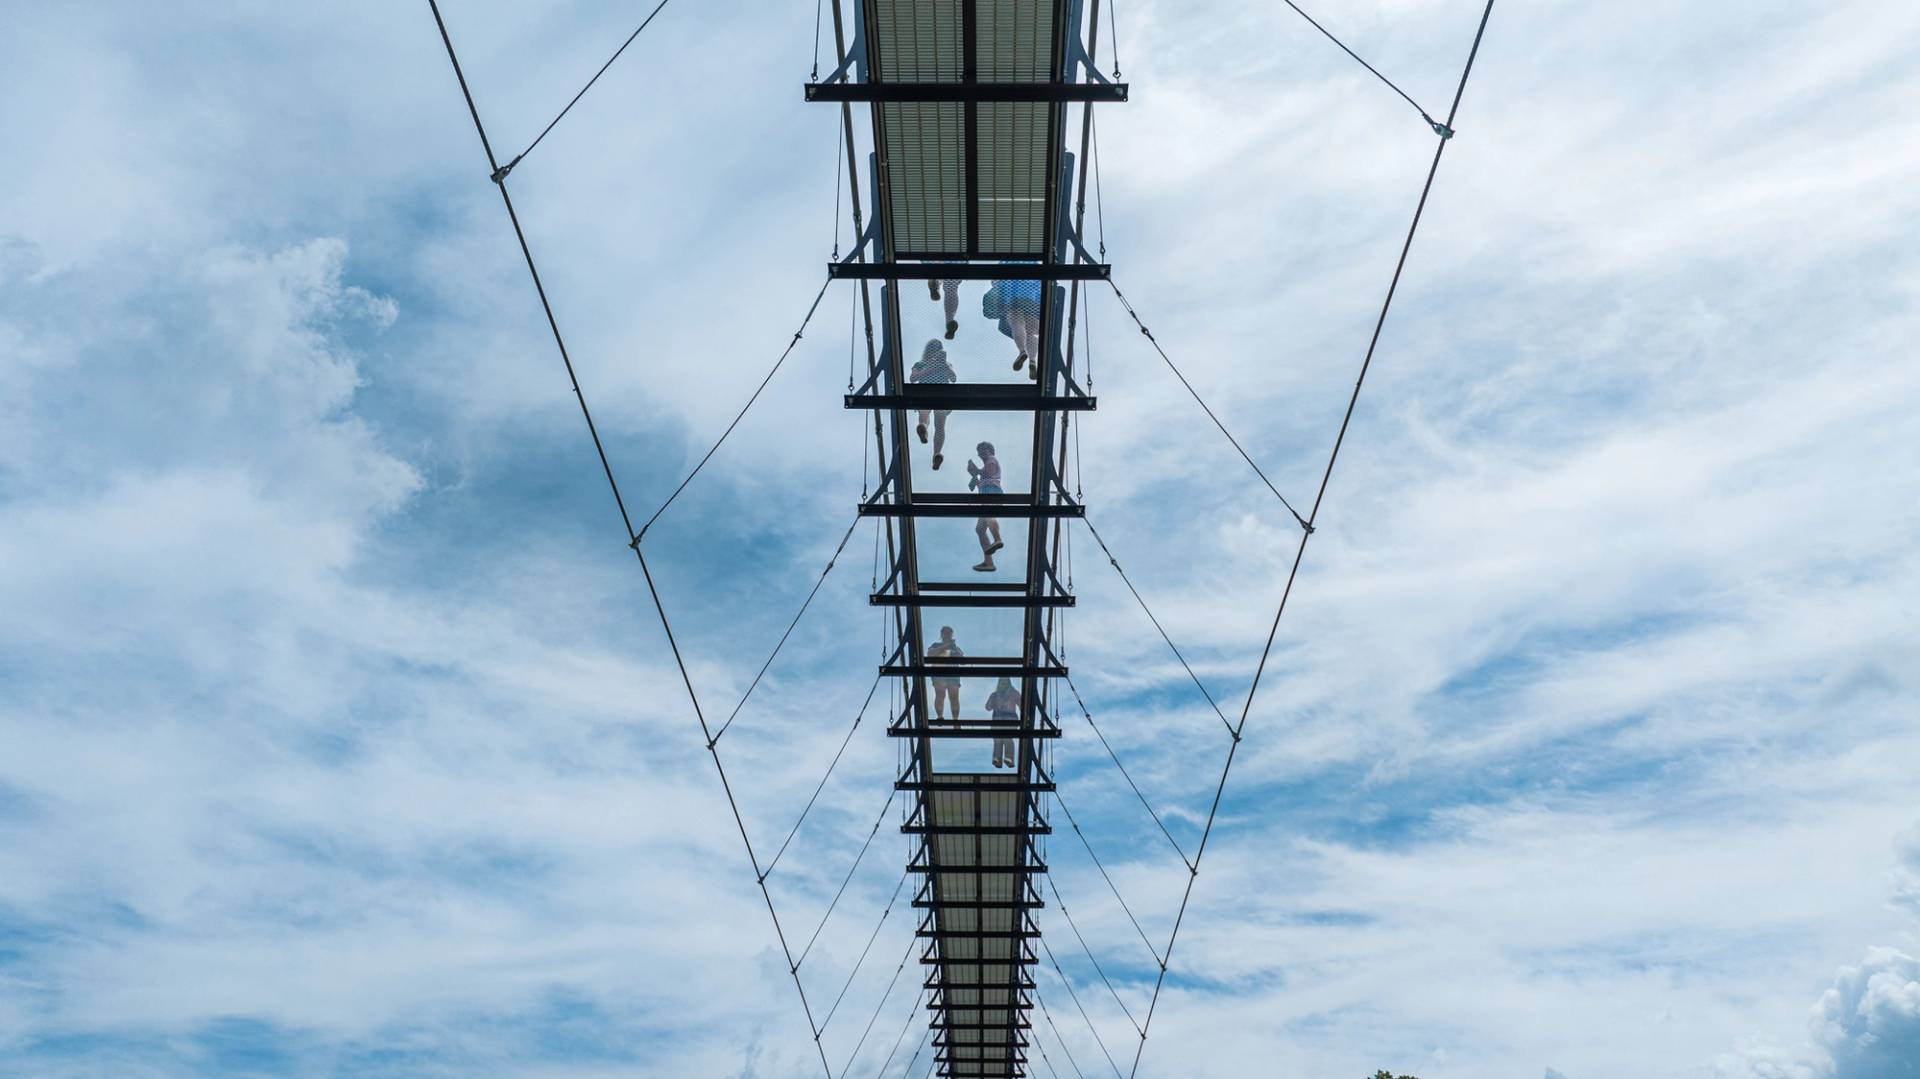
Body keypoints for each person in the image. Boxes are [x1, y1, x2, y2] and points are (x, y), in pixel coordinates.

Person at [983, 275, 1043, 378]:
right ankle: (1032, 360)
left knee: (1016, 323)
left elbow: (995, 291)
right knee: (1029, 333)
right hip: (1035, 302)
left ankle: (1022, 351)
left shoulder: (1005, 268)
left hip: (1014, 297)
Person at [909, 339, 956, 470]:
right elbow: (913, 378)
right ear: (928, 352)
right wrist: (932, 368)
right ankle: (923, 430)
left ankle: (936, 455)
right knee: (936, 422)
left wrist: (944, 366)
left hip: (939, 394)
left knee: (937, 423)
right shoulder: (921, 364)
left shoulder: (946, 364)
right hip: (929, 392)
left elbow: (953, 378)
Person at [966, 441, 1004, 572]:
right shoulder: (985, 465)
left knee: (988, 514)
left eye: (983, 450)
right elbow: (982, 481)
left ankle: (997, 539)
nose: (981, 453)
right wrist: (974, 477)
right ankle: (989, 562)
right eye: (979, 451)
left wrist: (975, 470)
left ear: (989, 451)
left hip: (992, 491)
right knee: (980, 529)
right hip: (986, 492)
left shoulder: (992, 460)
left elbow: (988, 474)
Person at [926, 626, 963, 721]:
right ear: (942, 635)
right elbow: (930, 655)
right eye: (945, 633)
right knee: (940, 695)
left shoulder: (955, 648)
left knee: (954, 697)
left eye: (949, 633)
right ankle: (940, 716)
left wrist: (955, 650)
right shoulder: (935, 645)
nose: (947, 635)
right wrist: (944, 647)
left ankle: (955, 720)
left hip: (953, 673)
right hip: (939, 672)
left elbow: (962, 659)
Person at [984, 676, 1020, 768]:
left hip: (1009, 719)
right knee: (998, 740)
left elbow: (1022, 705)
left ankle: (1008, 758)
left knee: (1007, 738)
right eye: (1002, 682)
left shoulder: (1013, 693)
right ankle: (997, 759)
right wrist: (992, 699)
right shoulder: (995, 695)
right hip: (998, 719)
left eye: (1005, 682)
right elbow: (988, 707)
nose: (1003, 684)